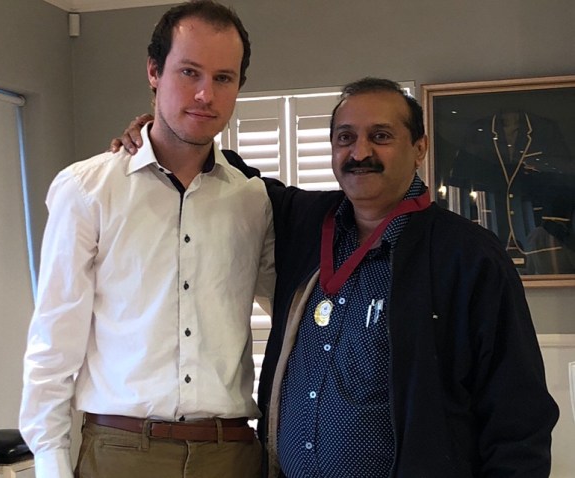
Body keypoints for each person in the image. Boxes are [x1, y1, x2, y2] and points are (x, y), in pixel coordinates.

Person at [115, 77, 558, 477]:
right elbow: (231, 176)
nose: (360, 153)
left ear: (419, 147)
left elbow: (518, 418)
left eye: (380, 136)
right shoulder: (305, 223)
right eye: (345, 138)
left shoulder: (469, 257)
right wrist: (162, 135)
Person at [19, 2, 275, 478]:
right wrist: (51, 462)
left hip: (231, 454)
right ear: (154, 72)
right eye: (189, 72)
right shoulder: (88, 190)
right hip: (122, 452)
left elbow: (298, 311)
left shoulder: (253, 201)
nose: (205, 93)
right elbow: (54, 339)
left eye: (223, 78)